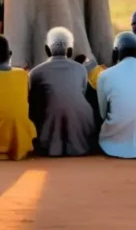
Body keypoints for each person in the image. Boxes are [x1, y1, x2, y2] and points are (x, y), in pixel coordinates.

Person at [29, 27, 95, 157]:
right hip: (81, 127)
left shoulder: (36, 72)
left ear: (47, 50)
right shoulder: (81, 70)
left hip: (49, 125)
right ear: (70, 51)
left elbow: (32, 102)